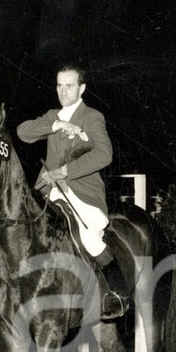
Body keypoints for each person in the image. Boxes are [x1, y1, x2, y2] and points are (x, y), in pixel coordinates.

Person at [17, 65, 124, 319]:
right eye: (59, 86)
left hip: (82, 196)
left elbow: (104, 154)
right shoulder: (53, 115)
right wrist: (56, 125)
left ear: (82, 88)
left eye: (70, 86)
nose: (63, 91)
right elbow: (22, 132)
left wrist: (65, 171)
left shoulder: (92, 117)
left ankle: (117, 293)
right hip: (48, 192)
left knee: (88, 237)